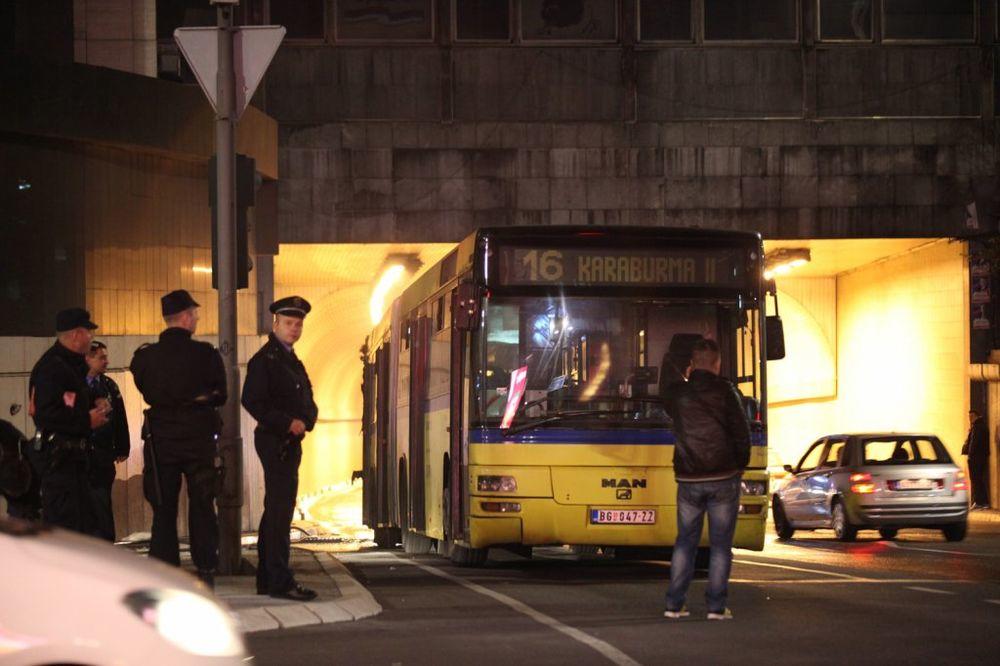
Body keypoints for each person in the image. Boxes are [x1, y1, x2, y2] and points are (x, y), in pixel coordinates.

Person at [130, 290, 226, 587]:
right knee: (201, 504)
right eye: (194, 314)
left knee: (163, 506)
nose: (196, 318)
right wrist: (197, 398)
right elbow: (220, 394)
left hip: (162, 442)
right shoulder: (206, 355)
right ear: (184, 317)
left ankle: (165, 570)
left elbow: (144, 385)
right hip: (197, 439)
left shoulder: (146, 357)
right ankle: (206, 568)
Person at [662, 338, 750, 621]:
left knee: (685, 542)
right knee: (720, 545)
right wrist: (740, 465)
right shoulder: (727, 392)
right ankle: (716, 607)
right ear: (717, 363)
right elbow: (741, 433)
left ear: (691, 365)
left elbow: (666, 393)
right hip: (724, 476)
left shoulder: (678, 395)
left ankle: (674, 605)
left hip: (689, 478)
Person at [242, 296, 319, 601]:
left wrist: (308, 419)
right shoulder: (266, 360)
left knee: (275, 510)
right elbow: (252, 400)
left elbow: (307, 397)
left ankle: (267, 577)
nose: (295, 329)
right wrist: (287, 423)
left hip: (288, 441)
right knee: (279, 512)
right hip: (276, 441)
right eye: (289, 323)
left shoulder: (291, 359)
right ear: (275, 324)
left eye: (298, 324)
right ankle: (279, 580)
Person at [29, 308, 110, 534]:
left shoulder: (74, 365)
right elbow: (45, 414)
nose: (91, 338)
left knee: (87, 527)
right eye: (88, 333)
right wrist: (86, 420)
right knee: (66, 529)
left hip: (77, 463)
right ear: (76, 335)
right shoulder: (51, 368)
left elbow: (75, 398)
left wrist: (97, 399)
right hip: (60, 463)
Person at [84, 341, 130, 541]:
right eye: (101, 357)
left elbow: (120, 417)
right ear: (88, 358)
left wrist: (122, 446)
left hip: (102, 454)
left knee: (102, 503)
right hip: (82, 455)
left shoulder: (109, 386)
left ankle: (105, 544)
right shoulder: (74, 385)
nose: (106, 361)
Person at [962, 409, 991, 509]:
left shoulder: (978, 427)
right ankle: (982, 502)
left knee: (976, 480)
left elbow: (974, 443)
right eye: (969, 417)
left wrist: (970, 455)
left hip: (976, 458)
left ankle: (980, 502)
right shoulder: (979, 426)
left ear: (975, 416)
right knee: (978, 480)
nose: (969, 419)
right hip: (979, 457)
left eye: (971, 416)